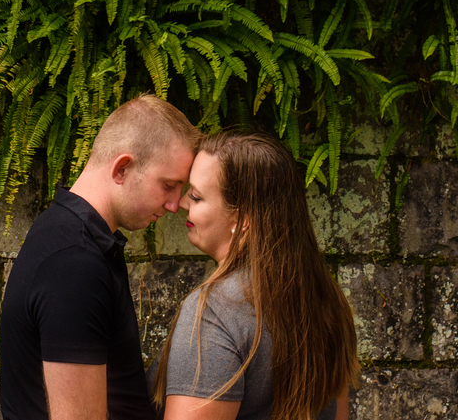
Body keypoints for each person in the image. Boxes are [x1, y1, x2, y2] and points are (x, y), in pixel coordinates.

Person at [0, 94, 202, 420]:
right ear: (122, 168)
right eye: (168, 185)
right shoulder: (74, 262)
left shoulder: (70, 234)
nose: (175, 204)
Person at [152, 133, 360, 420]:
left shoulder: (215, 311)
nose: (183, 203)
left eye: (197, 196)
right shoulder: (326, 299)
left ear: (242, 220)